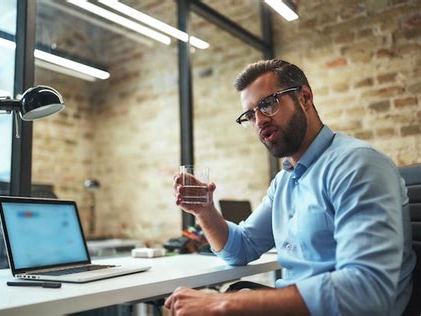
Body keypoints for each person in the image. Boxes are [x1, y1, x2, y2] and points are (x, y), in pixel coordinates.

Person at [167, 59, 416, 315]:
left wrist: (222, 304)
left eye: (268, 103)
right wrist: (205, 212)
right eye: (250, 114)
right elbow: (242, 247)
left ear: (305, 98)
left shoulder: (357, 164)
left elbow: (365, 292)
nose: (260, 120)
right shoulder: (285, 181)